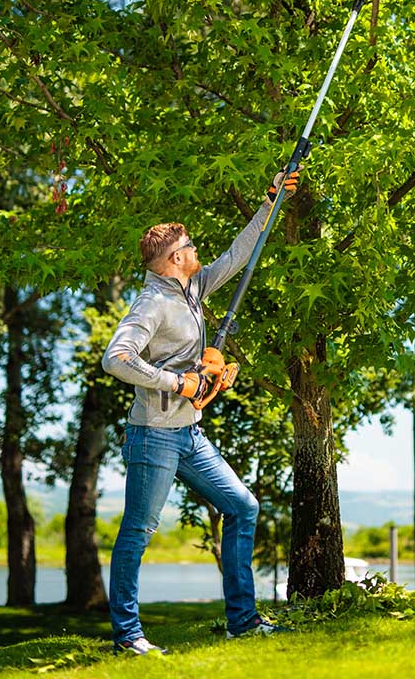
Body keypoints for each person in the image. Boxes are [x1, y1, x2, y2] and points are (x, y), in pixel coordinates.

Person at [101, 169, 299, 656]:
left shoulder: (190, 290)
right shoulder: (152, 303)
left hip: (189, 433)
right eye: (189, 247)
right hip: (153, 435)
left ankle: (243, 622)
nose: (196, 251)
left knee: (242, 507)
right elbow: (116, 358)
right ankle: (128, 636)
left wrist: (269, 201)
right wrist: (176, 381)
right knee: (138, 532)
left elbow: (236, 256)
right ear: (174, 259)